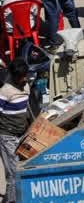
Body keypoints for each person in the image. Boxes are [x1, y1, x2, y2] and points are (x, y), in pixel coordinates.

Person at [0, 58, 32, 202]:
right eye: (22, 76)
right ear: (14, 76)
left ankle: (12, 198)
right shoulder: (5, 92)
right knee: (13, 173)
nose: (26, 78)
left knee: (22, 168)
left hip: (21, 134)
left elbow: (27, 109)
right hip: (7, 136)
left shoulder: (26, 86)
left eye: (26, 75)